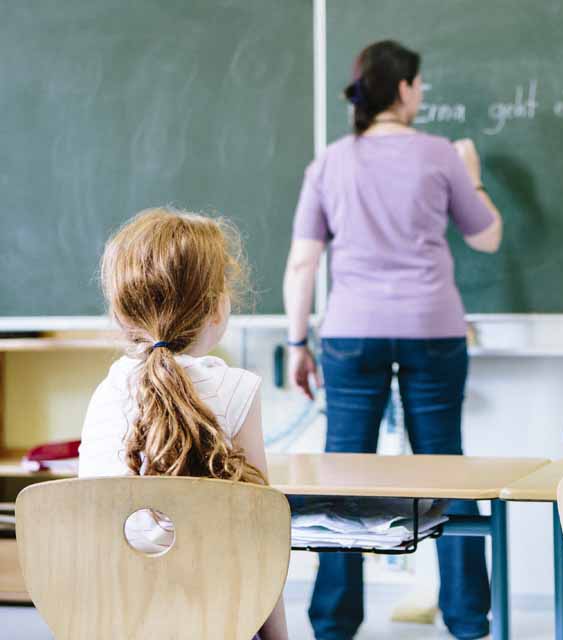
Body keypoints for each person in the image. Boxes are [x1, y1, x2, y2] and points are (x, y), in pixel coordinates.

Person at [283, 40, 502, 640]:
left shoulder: (330, 162)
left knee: (342, 478)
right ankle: (466, 620)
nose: (422, 95)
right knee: (445, 469)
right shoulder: (440, 155)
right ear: (403, 89)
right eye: (420, 85)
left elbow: (302, 265)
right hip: (432, 328)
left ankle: (331, 624)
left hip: (350, 333)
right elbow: (488, 238)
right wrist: (475, 182)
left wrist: (297, 342)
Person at [79, 207, 287, 640]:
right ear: (216, 308)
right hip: (214, 619)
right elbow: (262, 533)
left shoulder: (107, 390)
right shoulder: (236, 389)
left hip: (107, 616)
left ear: (122, 313)